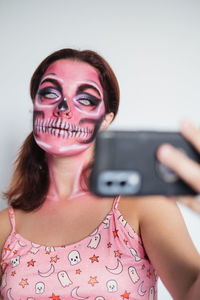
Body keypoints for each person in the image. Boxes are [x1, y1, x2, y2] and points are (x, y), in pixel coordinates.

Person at [0, 48, 199, 300]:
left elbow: (192, 289)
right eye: (50, 93)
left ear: (105, 119)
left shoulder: (144, 204)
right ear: (36, 107)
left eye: (85, 99)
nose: (63, 108)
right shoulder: (6, 227)